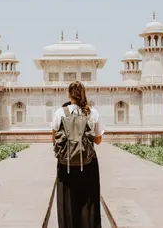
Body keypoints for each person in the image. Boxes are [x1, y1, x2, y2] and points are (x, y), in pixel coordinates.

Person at [51, 81, 105, 228]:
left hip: (66, 164)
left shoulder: (60, 112)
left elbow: (54, 139)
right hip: (88, 163)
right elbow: (98, 140)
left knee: (67, 201)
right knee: (88, 201)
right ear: (83, 94)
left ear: (69, 95)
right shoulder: (92, 113)